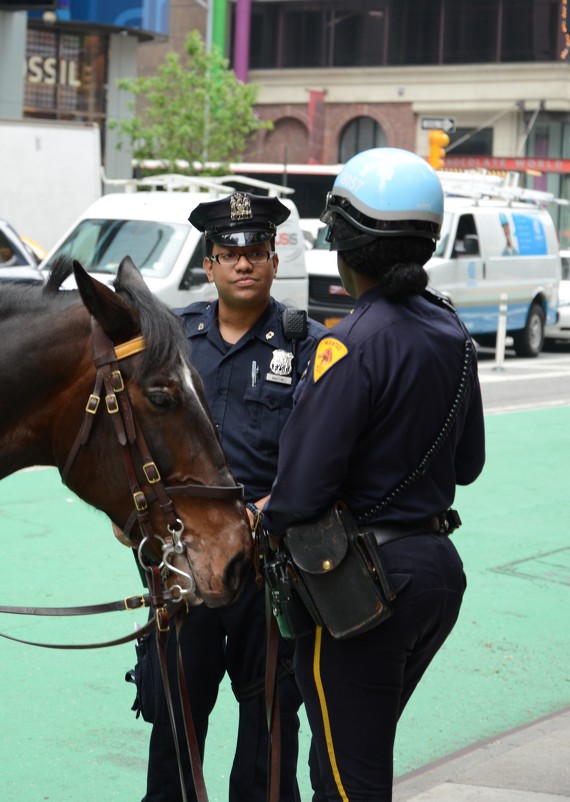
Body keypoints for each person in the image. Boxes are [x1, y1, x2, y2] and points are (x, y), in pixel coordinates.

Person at [262, 148, 486, 802]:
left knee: (343, 782)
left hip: (361, 593)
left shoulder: (348, 343)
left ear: (343, 243)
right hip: (438, 575)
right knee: (362, 756)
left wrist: (260, 517)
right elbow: (467, 467)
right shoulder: (454, 333)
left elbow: (300, 492)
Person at [139, 190, 327, 802]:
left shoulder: (306, 345)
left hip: (270, 569)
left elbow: (321, 457)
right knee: (174, 717)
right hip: (186, 567)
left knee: (269, 723)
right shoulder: (174, 340)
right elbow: (139, 440)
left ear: (273, 260)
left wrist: (266, 513)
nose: (243, 264)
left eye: (255, 252)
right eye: (229, 254)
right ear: (210, 265)